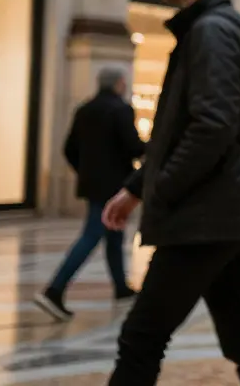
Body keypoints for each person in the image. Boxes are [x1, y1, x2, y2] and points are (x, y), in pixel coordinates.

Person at [101, 0, 240, 384]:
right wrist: (136, 187)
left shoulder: (212, 31)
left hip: (207, 213)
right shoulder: (219, 27)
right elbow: (181, 130)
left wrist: (161, 187)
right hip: (228, 209)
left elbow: (212, 126)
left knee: (141, 337)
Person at [34, 68, 143, 321]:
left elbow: (69, 148)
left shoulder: (85, 109)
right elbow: (133, 147)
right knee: (93, 233)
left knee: (114, 234)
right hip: (115, 184)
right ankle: (54, 290)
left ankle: (121, 288)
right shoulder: (121, 109)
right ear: (119, 83)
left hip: (93, 184)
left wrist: (85, 171)